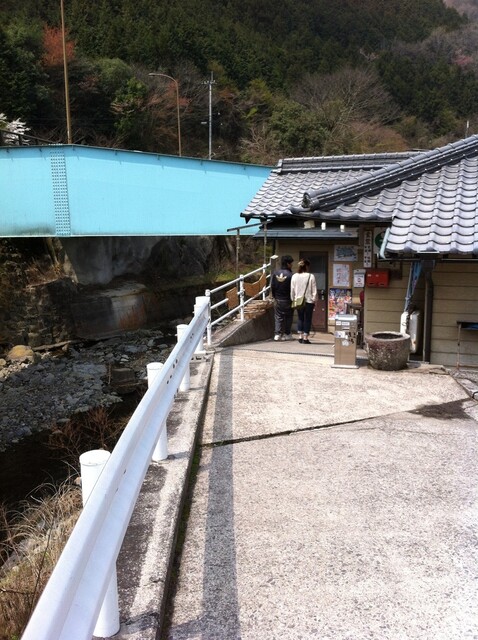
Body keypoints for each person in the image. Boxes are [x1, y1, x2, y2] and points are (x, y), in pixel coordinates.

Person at [290, 258, 317, 344]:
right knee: (308, 319)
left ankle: (300, 336)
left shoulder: (294, 276)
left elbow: (292, 290)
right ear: (307, 266)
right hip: (309, 301)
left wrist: (293, 299)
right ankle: (305, 337)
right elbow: (314, 290)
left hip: (298, 300)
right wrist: (314, 299)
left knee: (300, 318)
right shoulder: (311, 276)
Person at [271, 254, 294, 341]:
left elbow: (272, 286)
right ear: (288, 264)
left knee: (278, 317)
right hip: (288, 299)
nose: (292, 265)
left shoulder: (275, 273)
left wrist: (274, 296)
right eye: (291, 263)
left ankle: (277, 334)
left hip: (278, 299)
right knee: (288, 317)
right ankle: (287, 334)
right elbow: (293, 288)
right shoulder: (291, 275)